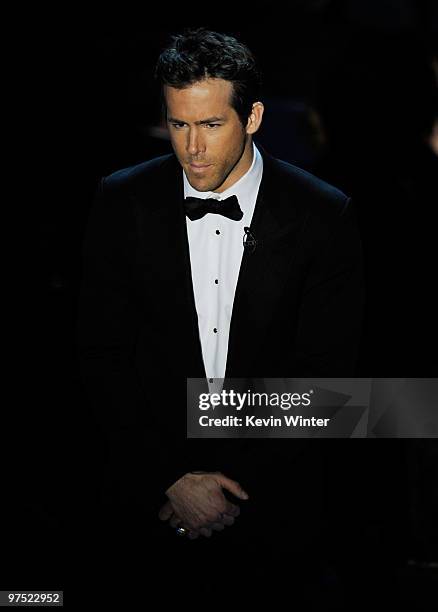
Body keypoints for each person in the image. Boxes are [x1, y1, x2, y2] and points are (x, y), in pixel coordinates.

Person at [77, 28, 363, 605]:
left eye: (211, 124)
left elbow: (328, 381)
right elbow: (101, 355)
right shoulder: (122, 199)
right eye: (179, 124)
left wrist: (228, 488)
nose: (193, 149)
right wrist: (173, 477)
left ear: (253, 117)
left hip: (274, 519)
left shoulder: (322, 215)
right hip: (146, 511)